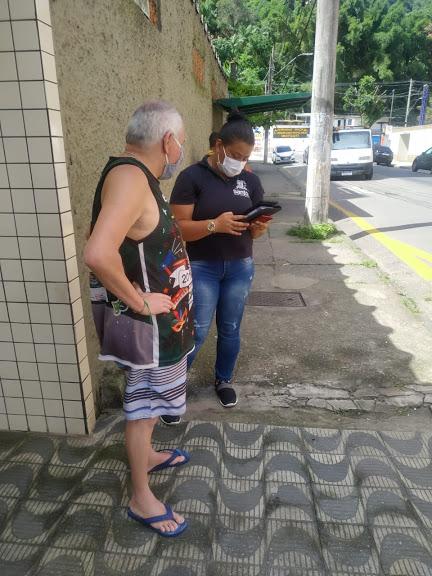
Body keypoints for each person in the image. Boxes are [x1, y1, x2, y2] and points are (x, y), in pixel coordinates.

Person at [84, 100, 194, 537]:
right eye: (181, 143)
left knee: (148, 408)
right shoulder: (131, 178)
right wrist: (140, 302)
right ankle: (141, 497)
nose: (180, 151)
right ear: (168, 142)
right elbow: (97, 253)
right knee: (144, 408)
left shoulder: (136, 174)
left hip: (162, 328)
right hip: (151, 332)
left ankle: (145, 455)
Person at [160, 110, 269, 426]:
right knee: (199, 329)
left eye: (245, 157)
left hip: (240, 265)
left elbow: (255, 225)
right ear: (218, 146)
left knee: (231, 328)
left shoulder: (249, 181)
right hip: (201, 266)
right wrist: (214, 225)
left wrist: (258, 228)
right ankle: (172, 390)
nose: (239, 162)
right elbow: (177, 228)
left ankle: (223, 381)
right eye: (235, 155)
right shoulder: (191, 178)